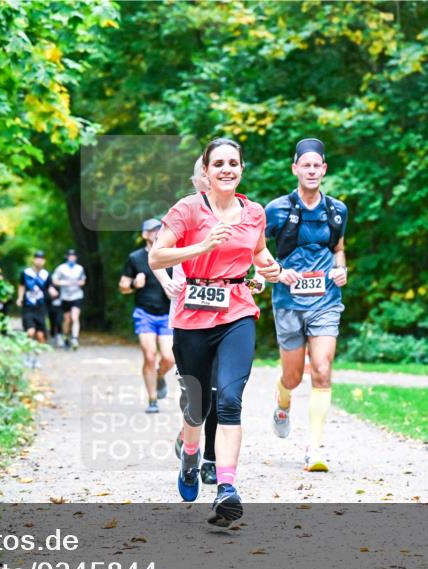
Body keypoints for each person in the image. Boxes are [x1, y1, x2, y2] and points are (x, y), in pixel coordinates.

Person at [149, 137, 281, 527]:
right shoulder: (188, 209)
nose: (226, 169)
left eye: (233, 163)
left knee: (229, 400)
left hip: (237, 312)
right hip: (191, 319)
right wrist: (200, 247)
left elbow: (258, 253)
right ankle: (190, 457)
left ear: (241, 169)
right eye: (218, 163)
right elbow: (158, 255)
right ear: (205, 172)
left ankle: (227, 488)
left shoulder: (254, 212)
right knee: (196, 408)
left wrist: (268, 269)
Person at [264, 138, 349, 473]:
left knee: (323, 371)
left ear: (324, 169)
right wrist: (278, 272)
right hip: (288, 302)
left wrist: (341, 268)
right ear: (295, 168)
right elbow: (257, 249)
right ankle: (282, 403)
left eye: (318, 165)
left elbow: (339, 247)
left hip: (326, 300)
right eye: (306, 165)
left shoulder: (337, 210)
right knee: (293, 376)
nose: (312, 170)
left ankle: (314, 448)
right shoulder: (276, 209)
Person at [120, 218, 176, 414]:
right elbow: (123, 287)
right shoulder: (135, 258)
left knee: (169, 358)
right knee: (150, 355)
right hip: (144, 313)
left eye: (160, 229)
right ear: (145, 234)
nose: (157, 233)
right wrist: (135, 284)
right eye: (152, 230)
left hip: (167, 314)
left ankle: (160, 376)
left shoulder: (171, 256)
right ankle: (153, 400)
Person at [16, 250, 57, 368]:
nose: (39, 261)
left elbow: (49, 287)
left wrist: (53, 291)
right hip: (28, 307)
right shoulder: (26, 273)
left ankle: (36, 359)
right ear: (34, 260)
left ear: (44, 261)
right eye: (37, 258)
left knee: (40, 336)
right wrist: (19, 298)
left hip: (41, 307)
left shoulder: (46, 274)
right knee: (30, 332)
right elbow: (21, 286)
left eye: (41, 259)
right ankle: (27, 357)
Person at [52, 249, 86, 350]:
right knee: (67, 319)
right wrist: (64, 283)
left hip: (77, 295)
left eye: (74, 256)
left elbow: (83, 280)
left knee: (75, 317)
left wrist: (79, 283)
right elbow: (54, 281)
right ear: (67, 257)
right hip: (65, 296)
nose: (72, 258)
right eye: (70, 256)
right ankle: (66, 336)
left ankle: (75, 338)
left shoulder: (80, 268)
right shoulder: (61, 268)